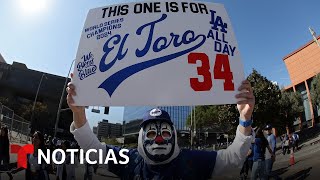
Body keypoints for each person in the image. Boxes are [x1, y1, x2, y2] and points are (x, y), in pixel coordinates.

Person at [67, 77, 255, 179]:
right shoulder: (130, 160)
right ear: (141, 136)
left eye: (165, 132)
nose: (158, 139)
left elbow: (233, 159)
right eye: (151, 133)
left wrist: (245, 119)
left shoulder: (191, 160)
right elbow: (94, 150)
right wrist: (78, 113)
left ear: (173, 134)